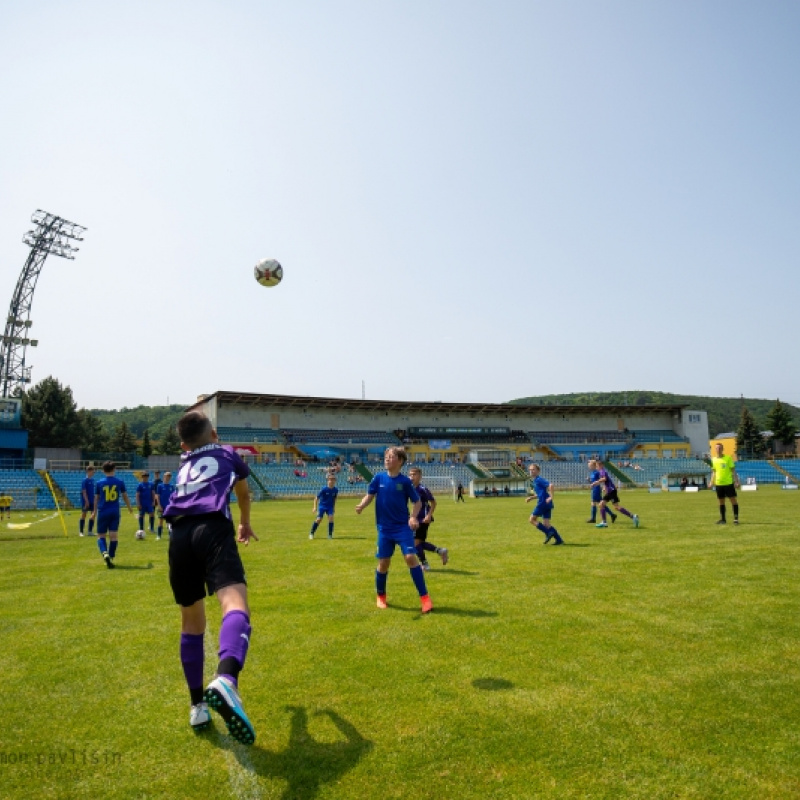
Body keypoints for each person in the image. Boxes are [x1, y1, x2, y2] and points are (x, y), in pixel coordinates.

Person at [163, 410, 258, 743]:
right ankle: (227, 680)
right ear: (214, 434)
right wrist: (245, 522)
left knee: (191, 623)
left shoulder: (183, 463)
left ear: (183, 443)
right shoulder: (228, 452)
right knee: (235, 605)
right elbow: (243, 494)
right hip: (213, 528)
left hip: (179, 536)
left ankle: (197, 706)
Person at [355, 446, 433, 614]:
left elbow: (417, 502)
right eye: (386, 457)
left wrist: (413, 517)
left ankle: (425, 599)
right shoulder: (378, 478)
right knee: (383, 563)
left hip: (402, 528)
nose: (387, 459)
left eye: (391, 457)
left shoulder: (405, 482)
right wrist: (361, 505)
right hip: (384, 528)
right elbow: (370, 495)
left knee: (411, 557)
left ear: (400, 461)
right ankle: (381, 596)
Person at [93, 461, 134, 569]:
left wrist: (94, 512)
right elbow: (125, 496)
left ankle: (104, 553)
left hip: (103, 511)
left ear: (103, 470)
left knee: (101, 535)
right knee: (113, 536)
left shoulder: (99, 483)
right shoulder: (119, 482)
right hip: (115, 511)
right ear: (114, 469)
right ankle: (110, 557)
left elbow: (96, 498)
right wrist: (129, 507)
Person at [408, 466, 448, 571]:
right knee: (418, 543)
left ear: (420, 476)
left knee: (415, 543)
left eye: (414, 474)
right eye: (410, 474)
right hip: (416, 519)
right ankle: (440, 551)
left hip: (423, 519)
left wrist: (429, 515)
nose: (412, 476)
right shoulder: (411, 488)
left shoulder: (422, 489)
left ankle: (425, 565)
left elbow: (433, 503)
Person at [593, 459, 638, 528]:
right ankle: (604, 523)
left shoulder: (602, 471)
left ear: (601, 465)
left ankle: (633, 516)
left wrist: (596, 482)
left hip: (611, 491)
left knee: (616, 507)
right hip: (610, 491)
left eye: (597, 466)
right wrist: (605, 487)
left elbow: (604, 479)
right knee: (601, 504)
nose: (596, 467)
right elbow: (607, 480)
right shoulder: (602, 471)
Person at [526, 463, 563, 544]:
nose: (531, 471)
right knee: (546, 524)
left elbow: (551, 485)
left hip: (543, 503)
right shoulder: (535, 480)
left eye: (533, 469)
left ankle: (548, 532)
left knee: (532, 519)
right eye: (530, 470)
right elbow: (541, 494)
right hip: (547, 504)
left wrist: (551, 496)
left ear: (538, 471)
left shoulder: (539, 479)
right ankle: (559, 540)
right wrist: (531, 498)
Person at [709, 442, 740, 525]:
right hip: (719, 484)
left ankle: (736, 519)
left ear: (722, 449)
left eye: (719, 448)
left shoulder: (728, 458)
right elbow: (714, 472)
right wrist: (711, 482)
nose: (718, 450)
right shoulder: (714, 460)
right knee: (721, 502)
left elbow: (733, 470)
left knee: (733, 501)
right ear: (715, 449)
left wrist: (736, 481)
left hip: (728, 483)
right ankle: (723, 519)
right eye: (716, 448)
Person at [309, 473, 338, 539]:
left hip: (330, 507)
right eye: (331, 479)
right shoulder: (324, 489)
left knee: (331, 518)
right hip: (322, 506)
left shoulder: (335, 490)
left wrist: (333, 507)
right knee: (319, 519)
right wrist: (314, 507)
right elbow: (316, 498)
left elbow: (335, 499)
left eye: (333, 479)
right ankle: (311, 533)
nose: (332, 481)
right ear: (328, 480)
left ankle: (330, 535)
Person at [154, 471, 175, 540]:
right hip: (162, 506)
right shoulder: (160, 486)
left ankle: (170, 536)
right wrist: (159, 505)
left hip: (169, 507)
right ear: (164, 477)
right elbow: (157, 496)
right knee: (160, 521)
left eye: (169, 476)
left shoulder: (171, 486)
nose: (168, 478)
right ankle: (159, 536)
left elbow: (173, 497)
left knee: (169, 522)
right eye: (167, 476)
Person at [79, 465, 96, 536]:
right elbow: (84, 491)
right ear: (89, 471)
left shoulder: (92, 481)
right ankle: (81, 532)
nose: (93, 473)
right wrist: (86, 501)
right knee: (84, 514)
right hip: (86, 501)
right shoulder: (84, 480)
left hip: (92, 501)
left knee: (93, 515)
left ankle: (90, 531)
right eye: (93, 471)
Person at [586, 459, 603, 523]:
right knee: (600, 503)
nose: (589, 467)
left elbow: (600, 480)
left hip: (596, 489)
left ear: (593, 465)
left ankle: (593, 519)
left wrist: (603, 486)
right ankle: (612, 515)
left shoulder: (597, 472)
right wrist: (589, 480)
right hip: (594, 488)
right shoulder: (592, 472)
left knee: (594, 503)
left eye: (590, 465)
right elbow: (592, 482)